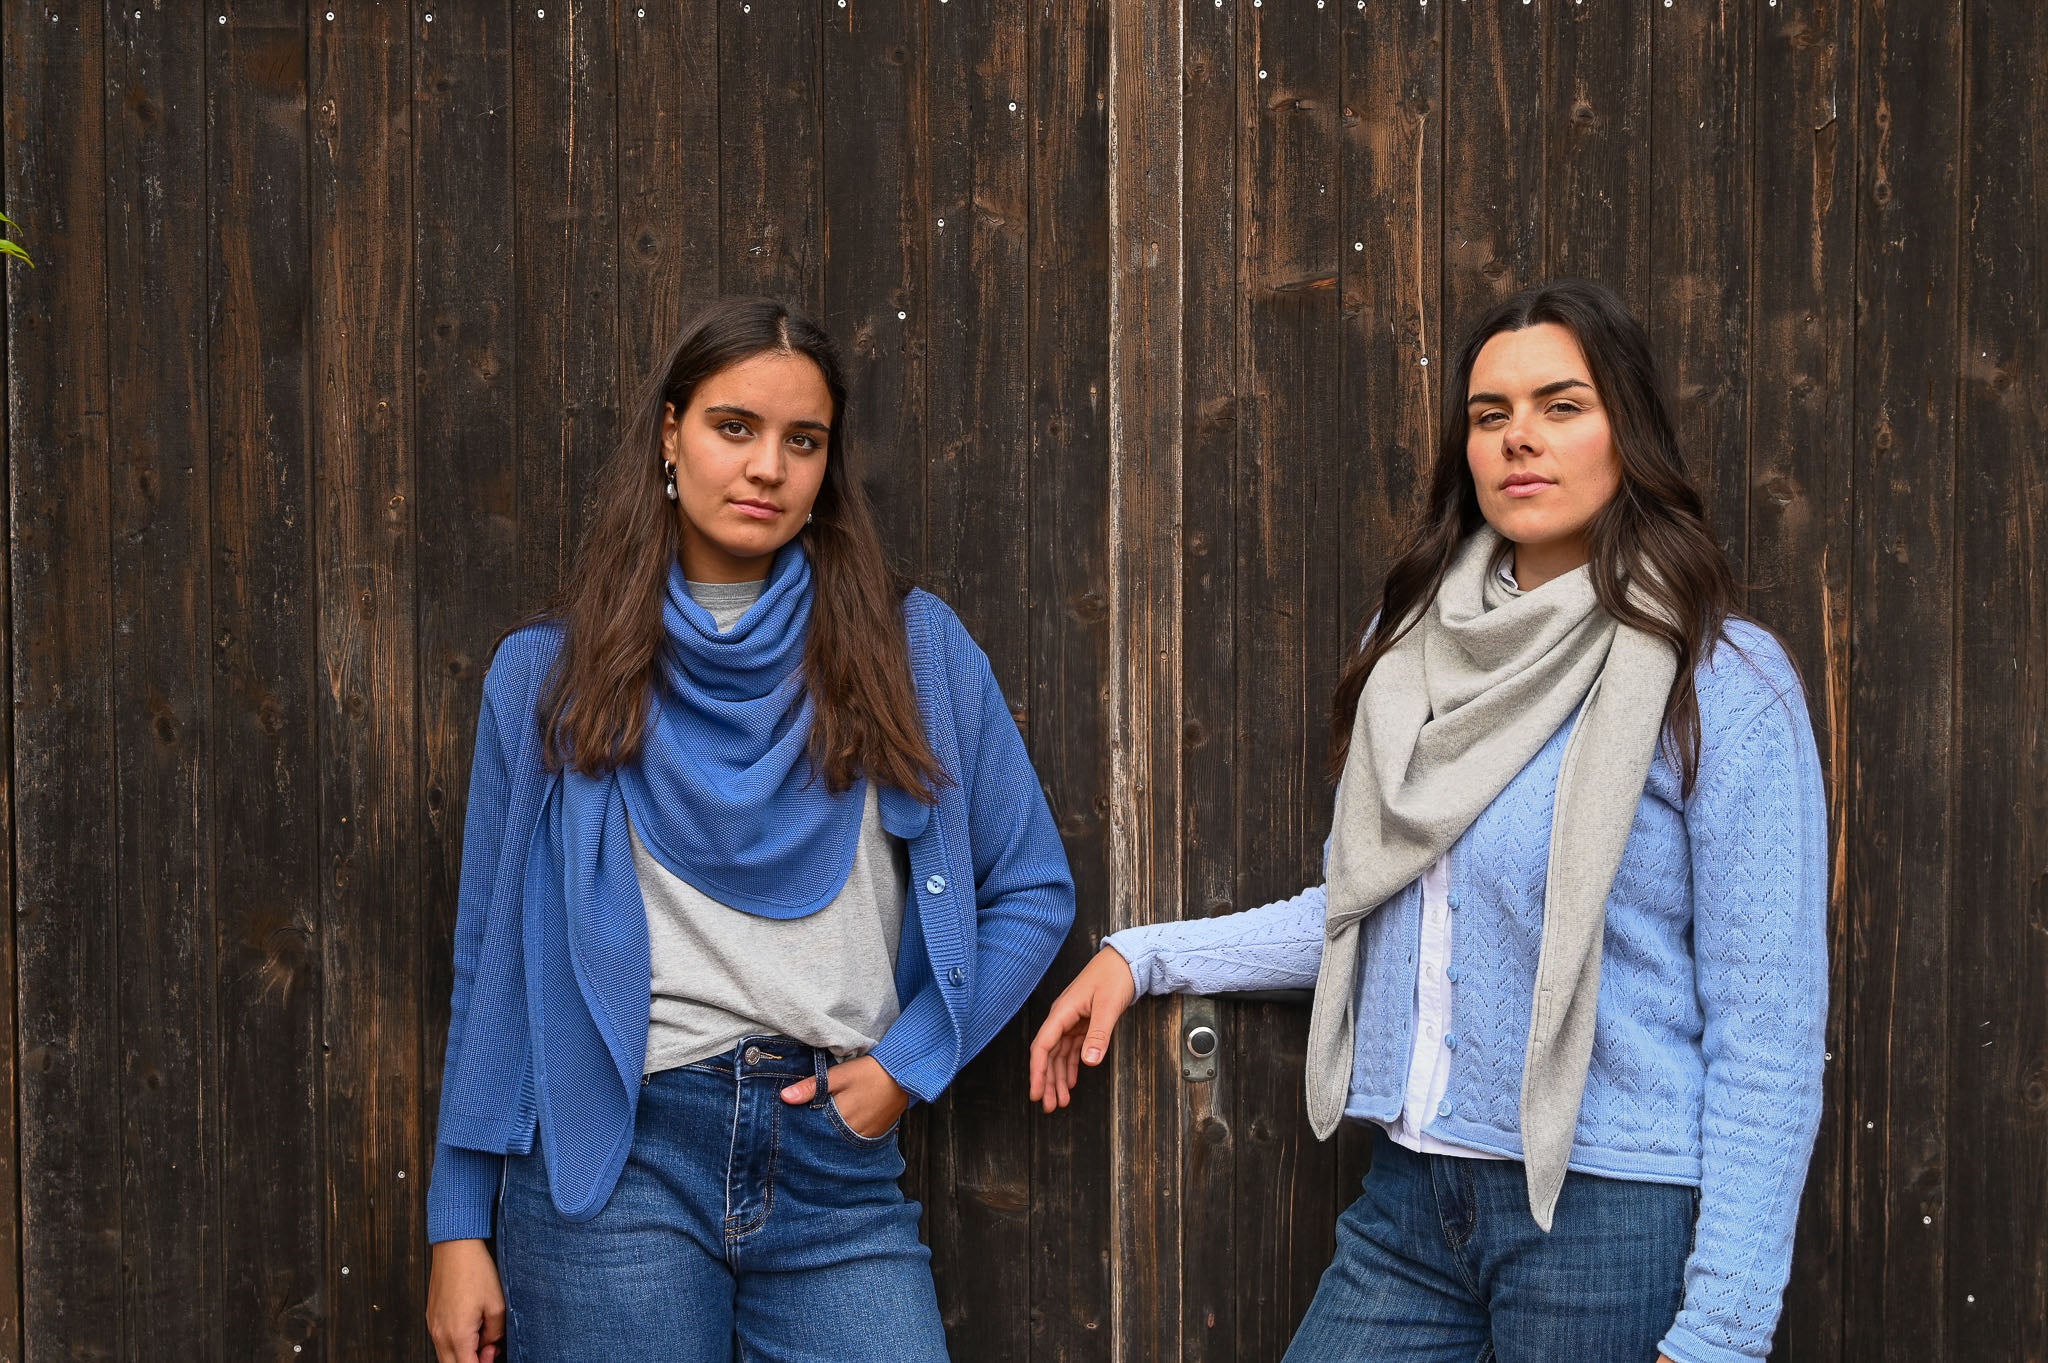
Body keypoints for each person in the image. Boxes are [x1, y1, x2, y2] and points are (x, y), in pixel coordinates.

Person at [1031, 279, 1827, 1363]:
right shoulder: (1409, 649)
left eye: (1560, 406)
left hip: (1607, 1214)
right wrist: (1146, 956)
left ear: (1627, 432)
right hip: (1413, 1201)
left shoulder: (1721, 681)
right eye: (1490, 414)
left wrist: (1721, 1333)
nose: (1518, 439)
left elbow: (1766, 1034)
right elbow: (1365, 908)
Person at [425, 296, 1075, 1363]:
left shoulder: (912, 650)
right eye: (734, 427)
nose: (767, 467)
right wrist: (457, 1222)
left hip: (834, 1161)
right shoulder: (547, 675)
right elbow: (488, 961)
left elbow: (1033, 888)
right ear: (669, 434)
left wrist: (907, 1065)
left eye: (802, 441)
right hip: (614, 1158)